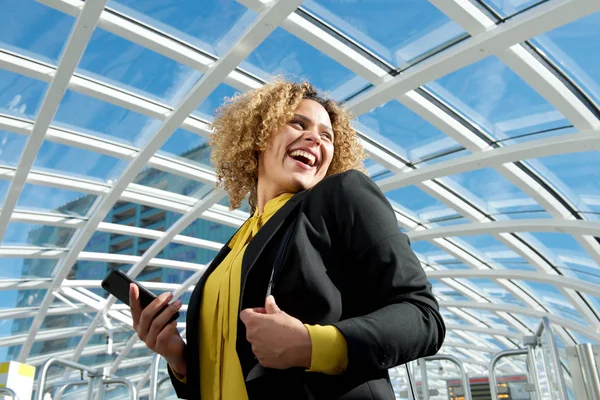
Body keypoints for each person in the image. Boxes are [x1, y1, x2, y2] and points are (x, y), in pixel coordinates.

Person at [129, 79, 445, 399]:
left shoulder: (343, 195)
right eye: (298, 123)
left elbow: (423, 317)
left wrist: (311, 346)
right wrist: (178, 359)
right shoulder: (236, 245)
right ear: (259, 135)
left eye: (326, 135)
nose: (313, 138)